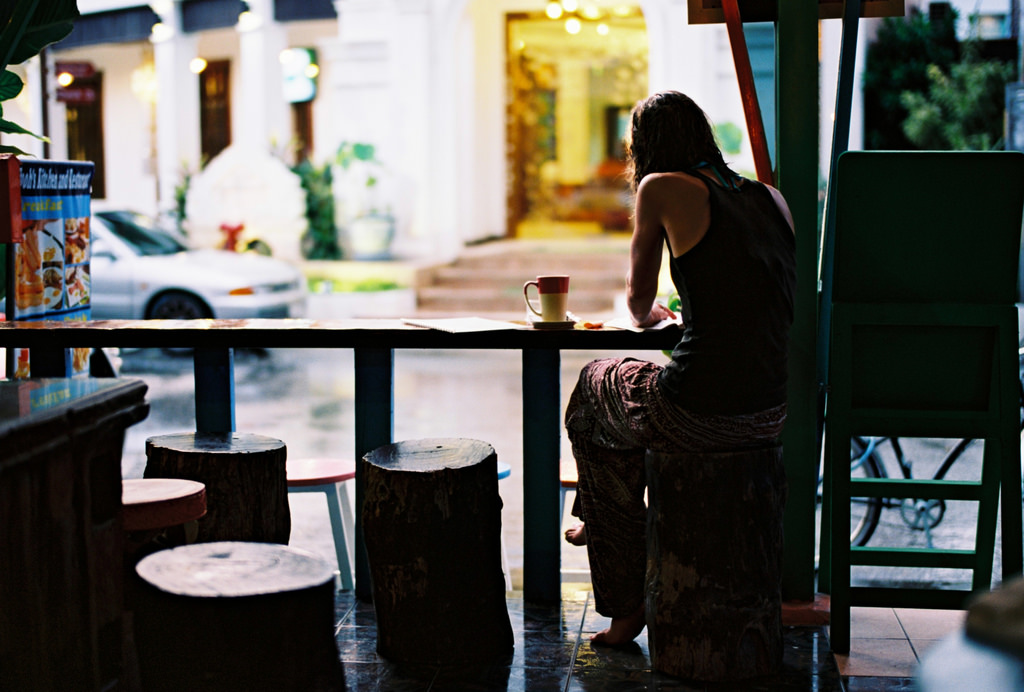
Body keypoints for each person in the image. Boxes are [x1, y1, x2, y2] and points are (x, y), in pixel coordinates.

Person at [563, 91, 796, 647]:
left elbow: (637, 304)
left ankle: (624, 601)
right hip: (769, 410)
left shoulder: (660, 187)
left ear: (644, 146)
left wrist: (655, 314)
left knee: (593, 387)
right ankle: (598, 516)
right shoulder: (770, 196)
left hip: (700, 408)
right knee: (612, 413)